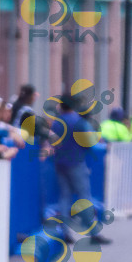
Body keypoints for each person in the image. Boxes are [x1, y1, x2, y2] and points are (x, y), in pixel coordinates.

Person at [47, 91, 111, 244]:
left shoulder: (57, 123)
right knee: (84, 197)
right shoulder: (78, 122)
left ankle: (64, 232)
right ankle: (93, 232)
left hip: (60, 163)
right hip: (76, 162)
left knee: (64, 197)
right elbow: (89, 143)